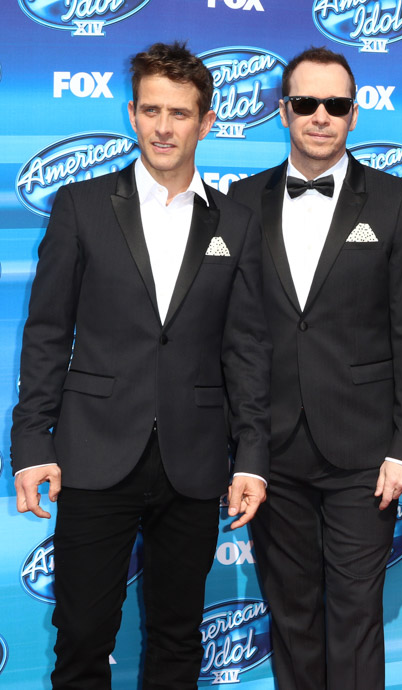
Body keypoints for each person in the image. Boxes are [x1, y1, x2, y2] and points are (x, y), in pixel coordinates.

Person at [10, 41, 270, 688]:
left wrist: (254, 458)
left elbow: (247, 351)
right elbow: (46, 333)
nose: (163, 127)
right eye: (151, 110)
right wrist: (29, 443)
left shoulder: (237, 223)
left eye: (179, 113)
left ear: (207, 122)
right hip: (94, 452)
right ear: (131, 113)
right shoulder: (82, 206)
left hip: (195, 460)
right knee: (82, 640)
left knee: (179, 642)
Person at [228, 47, 402, 689]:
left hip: (365, 453)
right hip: (275, 455)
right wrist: (248, 453)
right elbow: (241, 336)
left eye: (336, 105)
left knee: (354, 616)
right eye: (307, 103)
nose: (321, 116)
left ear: (354, 113)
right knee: (290, 616)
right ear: (283, 109)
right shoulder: (241, 201)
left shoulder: (400, 201)